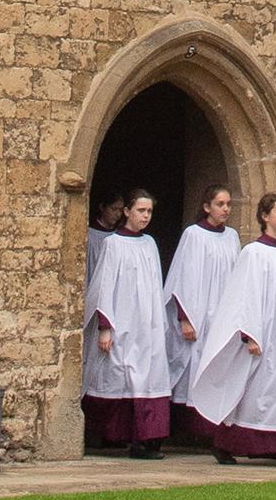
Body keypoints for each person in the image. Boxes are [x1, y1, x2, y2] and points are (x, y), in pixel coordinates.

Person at [189, 193, 276, 468]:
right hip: (265, 337)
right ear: (265, 217)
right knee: (262, 393)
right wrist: (249, 334)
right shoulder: (253, 253)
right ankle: (229, 442)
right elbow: (243, 297)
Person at [82, 189, 171, 459]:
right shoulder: (113, 244)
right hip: (123, 321)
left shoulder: (150, 244)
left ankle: (146, 439)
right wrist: (105, 326)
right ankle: (116, 437)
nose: (145, 216)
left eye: (149, 211)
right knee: (121, 375)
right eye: (141, 211)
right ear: (127, 212)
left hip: (148, 324)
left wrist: (159, 323)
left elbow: (155, 285)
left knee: (149, 378)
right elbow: (104, 285)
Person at [163, 185, 241, 442]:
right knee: (192, 369)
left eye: (228, 204)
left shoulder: (231, 236)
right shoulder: (193, 235)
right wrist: (185, 318)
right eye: (220, 204)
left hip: (222, 315)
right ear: (207, 207)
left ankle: (214, 429)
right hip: (198, 314)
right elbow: (183, 275)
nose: (226, 209)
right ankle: (189, 431)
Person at [86, 191, 125, 278]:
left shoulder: (120, 235)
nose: (118, 214)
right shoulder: (90, 235)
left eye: (120, 210)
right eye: (114, 209)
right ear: (102, 207)